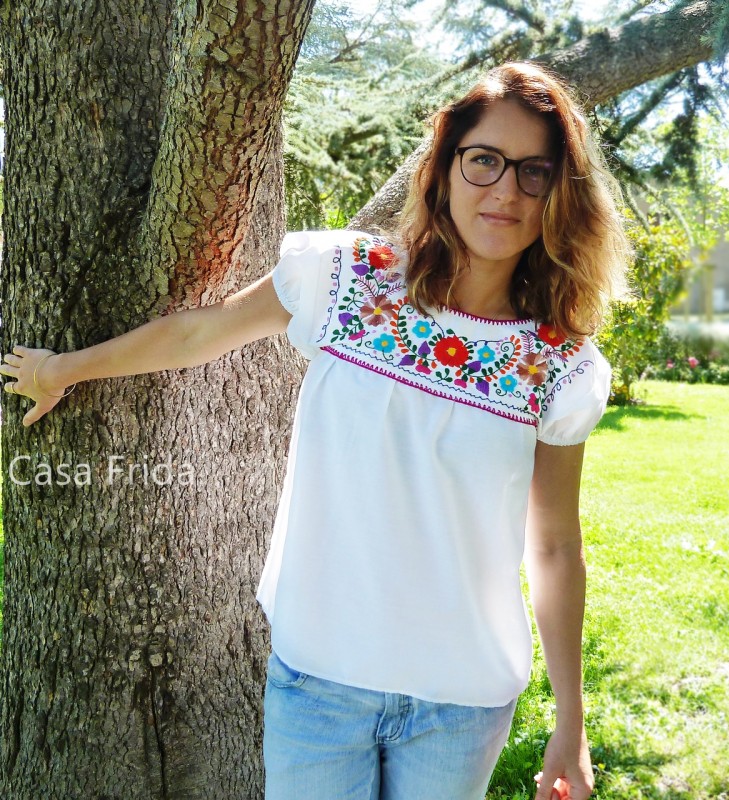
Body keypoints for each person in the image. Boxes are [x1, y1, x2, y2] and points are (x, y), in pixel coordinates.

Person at [2, 61, 629, 800]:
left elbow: (553, 546)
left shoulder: (558, 365)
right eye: (484, 160)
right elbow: (195, 334)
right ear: (445, 170)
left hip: (462, 704)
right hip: (320, 680)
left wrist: (572, 722)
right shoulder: (346, 279)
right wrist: (64, 369)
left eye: (535, 172)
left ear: (560, 194)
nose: (505, 190)